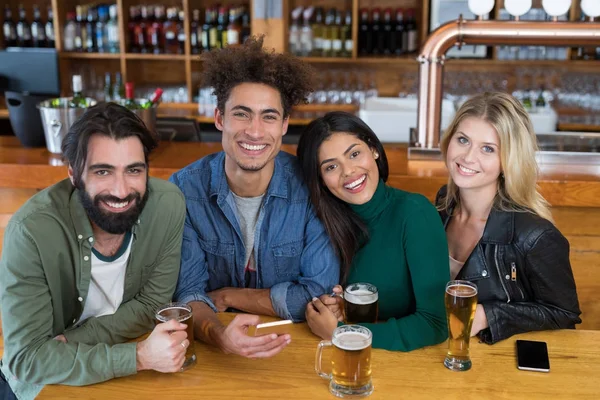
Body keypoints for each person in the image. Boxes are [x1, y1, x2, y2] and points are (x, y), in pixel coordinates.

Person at [0, 103, 188, 400]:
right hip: (45, 384)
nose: (122, 190)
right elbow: (27, 360)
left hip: (119, 368)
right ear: (74, 175)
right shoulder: (31, 232)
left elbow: (153, 303)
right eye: (103, 171)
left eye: (134, 170)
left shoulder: (167, 205)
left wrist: (75, 341)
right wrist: (137, 357)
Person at [169, 36, 339, 359]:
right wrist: (220, 335)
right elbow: (188, 293)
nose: (256, 131)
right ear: (220, 118)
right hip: (210, 352)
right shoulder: (184, 190)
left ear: (285, 125)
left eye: (269, 116)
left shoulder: (313, 186)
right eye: (242, 114)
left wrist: (228, 296)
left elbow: (317, 295)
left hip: (296, 349)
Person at [296, 111, 449, 351]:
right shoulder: (323, 222)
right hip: (353, 360)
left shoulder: (415, 213)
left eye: (354, 154)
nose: (348, 171)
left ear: (374, 150)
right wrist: (340, 307)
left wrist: (343, 333)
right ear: (320, 179)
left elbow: (435, 324)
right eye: (331, 166)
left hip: (408, 365)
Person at [436, 91, 581, 344]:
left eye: (488, 149)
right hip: (442, 351)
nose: (468, 157)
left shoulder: (535, 236)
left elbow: (564, 314)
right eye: (463, 140)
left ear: (508, 161)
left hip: (499, 367)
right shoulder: (443, 204)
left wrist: (488, 315)